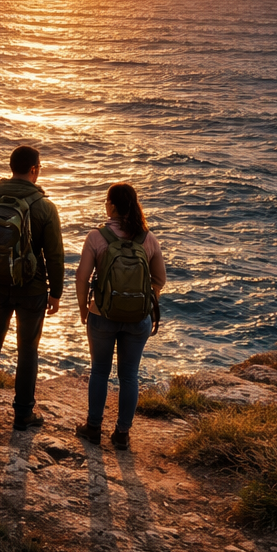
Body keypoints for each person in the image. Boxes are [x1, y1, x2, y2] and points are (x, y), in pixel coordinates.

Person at [0, 145, 64, 430]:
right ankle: (23, 415)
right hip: (31, 291)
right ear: (34, 170)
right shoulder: (45, 207)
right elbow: (54, 256)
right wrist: (56, 292)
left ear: (11, 167)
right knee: (27, 351)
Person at [74, 183, 167, 451]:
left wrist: (84, 309)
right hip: (138, 319)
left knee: (100, 371)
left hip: (101, 315)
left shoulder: (97, 236)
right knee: (129, 376)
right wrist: (141, 307)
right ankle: (122, 435)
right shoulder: (148, 238)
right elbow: (159, 279)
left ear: (112, 206)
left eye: (107, 201)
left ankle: (93, 428)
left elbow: (82, 277)